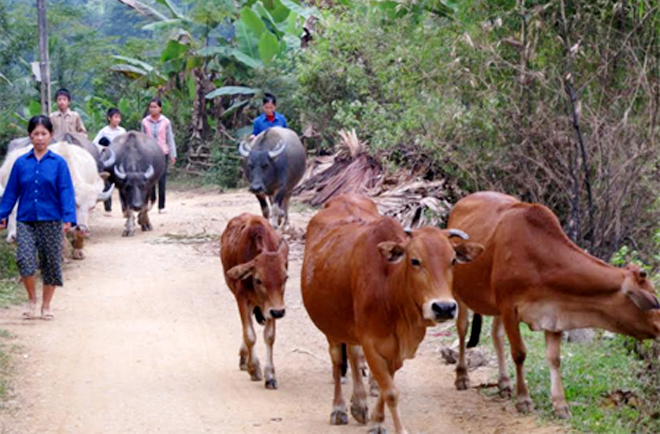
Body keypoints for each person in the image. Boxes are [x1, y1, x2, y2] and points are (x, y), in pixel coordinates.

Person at [0, 116, 76, 321]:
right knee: (24, 259)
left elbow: (66, 191)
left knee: (51, 263)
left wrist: (69, 217)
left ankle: (46, 305)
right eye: (36, 134)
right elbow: (11, 192)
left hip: (51, 219)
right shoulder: (20, 163)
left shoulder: (59, 164)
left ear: (50, 136)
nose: (40, 138)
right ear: (30, 136)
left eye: (44, 134)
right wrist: (2, 215)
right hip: (26, 219)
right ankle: (32, 299)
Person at [141, 98, 176, 214]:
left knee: (162, 179)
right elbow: (142, 138)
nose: (152, 109)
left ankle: (162, 206)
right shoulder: (145, 122)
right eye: (151, 107)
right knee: (149, 178)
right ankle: (152, 200)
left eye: (155, 107)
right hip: (148, 153)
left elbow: (170, 138)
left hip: (162, 153)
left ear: (160, 108)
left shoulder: (166, 122)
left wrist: (173, 154)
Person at [93, 108, 126, 216]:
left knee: (122, 184)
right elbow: (95, 143)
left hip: (120, 160)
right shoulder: (104, 131)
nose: (118, 119)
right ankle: (108, 209)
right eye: (115, 117)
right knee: (107, 183)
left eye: (119, 117)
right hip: (107, 160)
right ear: (109, 118)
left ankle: (124, 208)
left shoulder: (122, 131)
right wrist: (103, 147)